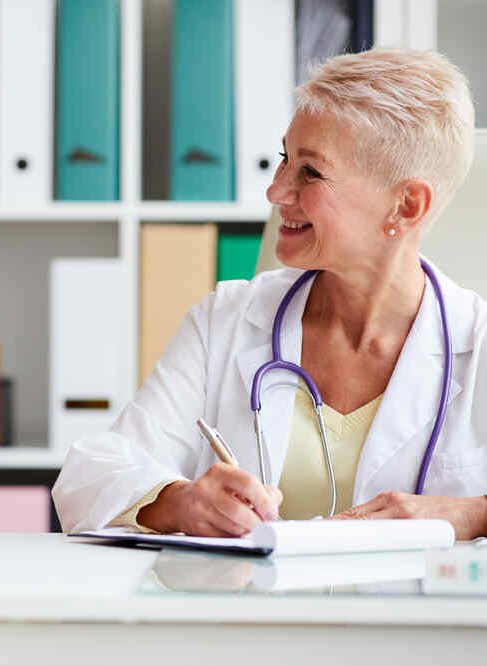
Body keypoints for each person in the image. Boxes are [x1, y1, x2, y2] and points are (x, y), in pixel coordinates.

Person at [53, 48, 487, 541]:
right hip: (250, 613)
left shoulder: (477, 343)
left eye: (310, 172)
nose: (276, 190)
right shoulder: (227, 319)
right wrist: (181, 502)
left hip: (411, 618)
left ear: (406, 206)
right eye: (286, 158)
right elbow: (89, 476)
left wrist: (471, 513)